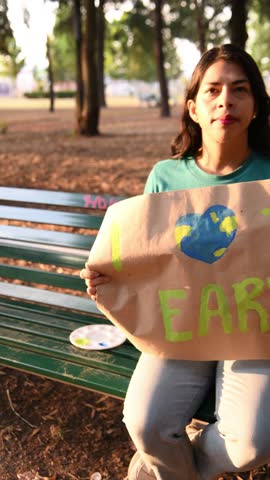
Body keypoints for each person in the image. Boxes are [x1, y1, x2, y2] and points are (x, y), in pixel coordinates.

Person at [80, 44, 270, 480]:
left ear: (256, 106)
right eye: (213, 90)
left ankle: (166, 468)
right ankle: (164, 461)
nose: (226, 100)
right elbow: (143, 260)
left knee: (252, 444)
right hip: (181, 322)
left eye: (240, 90)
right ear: (194, 108)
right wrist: (109, 277)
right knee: (145, 422)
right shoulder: (165, 177)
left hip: (256, 327)